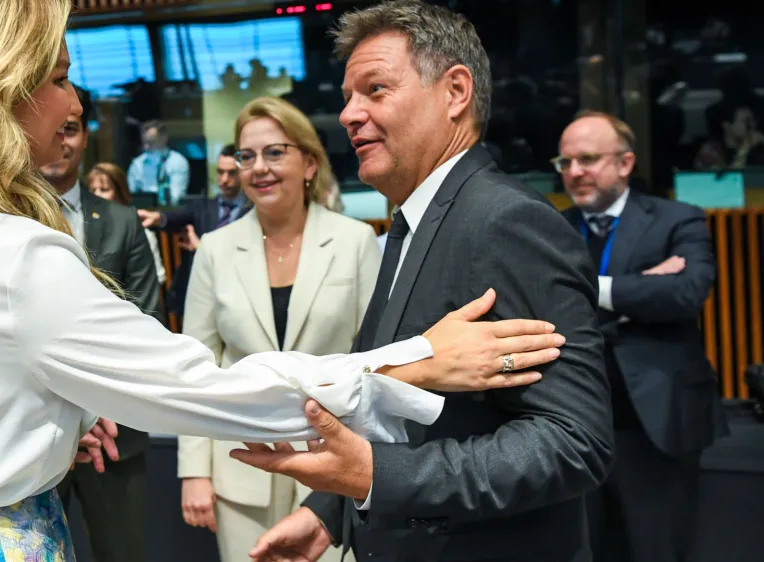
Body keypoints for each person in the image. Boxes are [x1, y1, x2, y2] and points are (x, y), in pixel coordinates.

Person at [0, 0, 563, 558]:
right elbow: (206, 390)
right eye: (58, 79)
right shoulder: (13, 256)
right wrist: (419, 362)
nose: (77, 105)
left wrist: (49, 420)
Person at [239, 3, 613, 562]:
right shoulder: (411, 221)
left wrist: (376, 476)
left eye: (375, 89)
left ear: (455, 91)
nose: (348, 114)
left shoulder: (505, 221)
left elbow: (572, 443)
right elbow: (400, 410)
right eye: (347, 97)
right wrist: (328, 510)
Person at [177, 97, 377, 562]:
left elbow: (376, 362)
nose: (258, 168)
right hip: (240, 469)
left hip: (335, 468)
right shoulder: (215, 249)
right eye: (247, 156)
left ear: (309, 163)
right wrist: (194, 472)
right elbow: (195, 365)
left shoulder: (354, 241)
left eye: (274, 152)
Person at [557, 111, 729, 562]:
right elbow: (531, 301)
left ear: (626, 163)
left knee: (657, 549)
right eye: (566, 162)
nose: (575, 172)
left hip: (655, 421)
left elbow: (688, 292)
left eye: (589, 159)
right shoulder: (548, 226)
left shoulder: (678, 218)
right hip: (571, 426)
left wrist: (594, 289)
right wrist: (642, 288)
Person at [39, 84, 164, 562]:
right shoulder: (1, 218)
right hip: (32, 434)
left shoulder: (120, 220)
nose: (61, 140)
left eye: (70, 130)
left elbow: (146, 324)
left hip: (116, 437)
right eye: (52, 129)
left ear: (84, 137)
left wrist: (97, 411)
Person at [139, 144, 250, 318]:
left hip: (239, 295)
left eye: (231, 173)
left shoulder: (253, 212)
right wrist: (158, 217)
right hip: (201, 295)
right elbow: (177, 217)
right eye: (220, 172)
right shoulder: (205, 206)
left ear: (243, 174)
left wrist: (200, 248)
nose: (224, 179)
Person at [87, 161, 167, 286]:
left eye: (104, 190)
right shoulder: (81, 227)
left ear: (120, 193)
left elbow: (157, 278)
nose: (97, 196)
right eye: (92, 190)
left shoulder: (137, 232)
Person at [126, 119, 190, 205]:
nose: (146, 147)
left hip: (168, 213)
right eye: (144, 142)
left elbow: (176, 197)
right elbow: (129, 195)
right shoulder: (137, 164)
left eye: (150, 142)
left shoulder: (178, 162)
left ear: (164, 139)